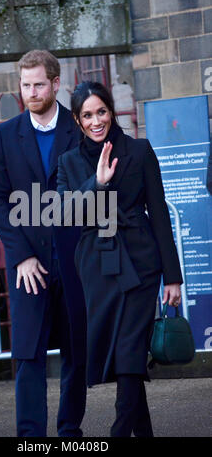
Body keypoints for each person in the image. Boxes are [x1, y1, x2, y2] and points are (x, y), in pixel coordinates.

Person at [57, 81, 183, 437]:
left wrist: (172, 277)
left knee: (129, 347)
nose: (96, 121)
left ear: (111, 112)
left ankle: (119, 431)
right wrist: (96, 183)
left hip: (142, 262)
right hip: (98, 267)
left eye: (101, 112)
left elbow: (159, 214)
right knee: (122, 353)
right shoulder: (68, 161)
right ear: (78, 122)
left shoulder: (140, 151)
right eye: (87, 115)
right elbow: (65, 214)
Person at [0, 50, 86, 437]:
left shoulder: (78, 130)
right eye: (25, 85)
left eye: (39, 84)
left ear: (56, 84)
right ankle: (30, 438)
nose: (31, 92)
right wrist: (22, 255)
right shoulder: (5, 134)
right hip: (28, 265)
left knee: (76, 353)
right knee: (28, 355)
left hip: (74, 260)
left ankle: (69, 433)